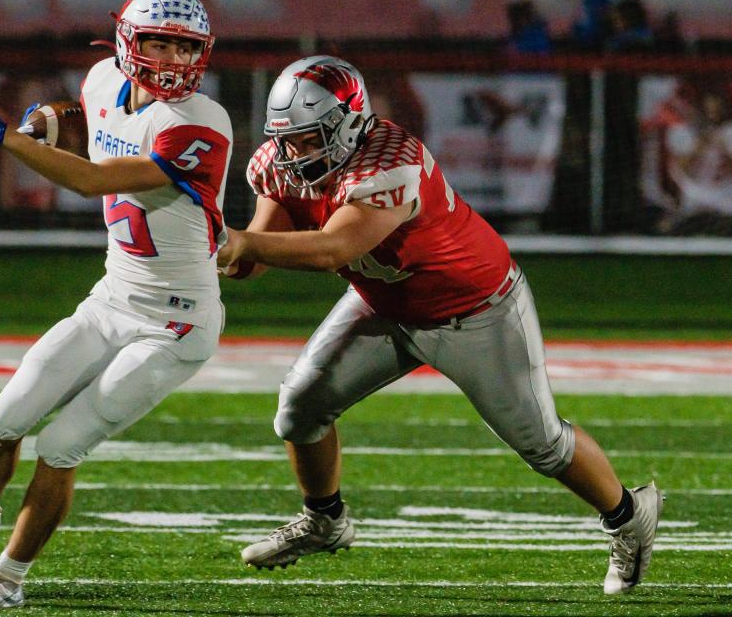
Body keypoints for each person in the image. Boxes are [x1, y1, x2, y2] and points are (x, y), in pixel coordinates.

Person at [217, 55, 662, 595]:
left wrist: (239, 240)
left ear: (351, 121)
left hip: (476, 308)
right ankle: (324, 521)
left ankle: (627, 515)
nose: (297, 153)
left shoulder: (391, 163)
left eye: (312, 139)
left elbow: (330, 248)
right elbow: (256, 255)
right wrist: (212, 243)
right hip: (383, 302)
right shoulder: (277, 163)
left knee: (542, 443)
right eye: (290, 140)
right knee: (299, 410)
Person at [0, 0, 232, 611]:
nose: (171, 60)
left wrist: (8, 139)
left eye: (183, 47)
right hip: (112, 297)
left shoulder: (200, 123)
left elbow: (89, 179)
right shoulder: (106, 78)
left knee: (60, 445)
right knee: (4, 419)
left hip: (176, 326)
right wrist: (43, 120)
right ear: (127, 42)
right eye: (158, 42)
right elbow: (88, 115)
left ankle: (6, 579)